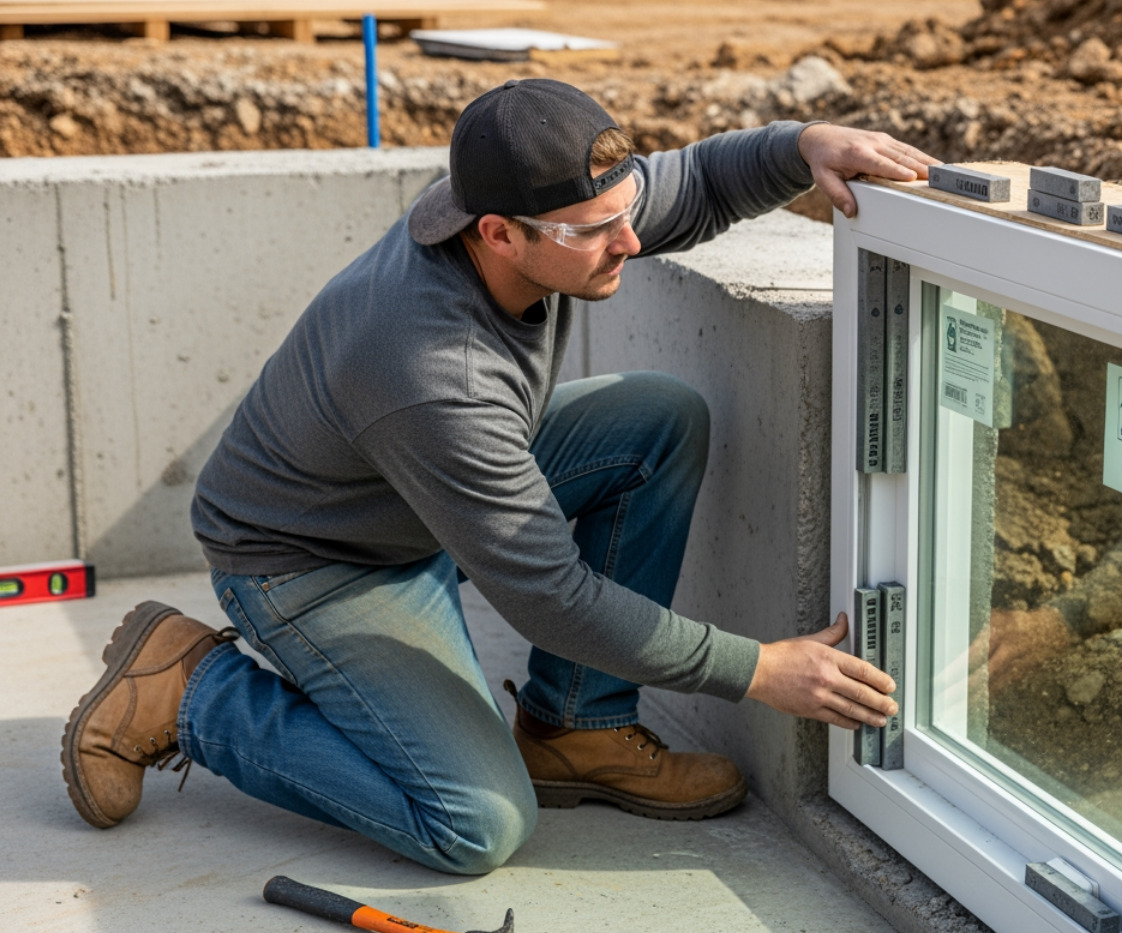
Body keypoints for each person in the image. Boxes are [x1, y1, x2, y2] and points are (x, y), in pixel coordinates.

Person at [60, 79, 936, 875]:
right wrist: (757, 669)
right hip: (313, 563)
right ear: (498, 234)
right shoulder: (435, 371)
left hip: (410, 502)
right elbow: (551, 597)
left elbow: (698, 182)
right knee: (476, 824)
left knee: (655, 421)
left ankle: (576, 728)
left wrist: (801, 145)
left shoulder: (532, 206)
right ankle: (193, 695)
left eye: (626, 208)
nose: (630, 241)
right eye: (596, 232)